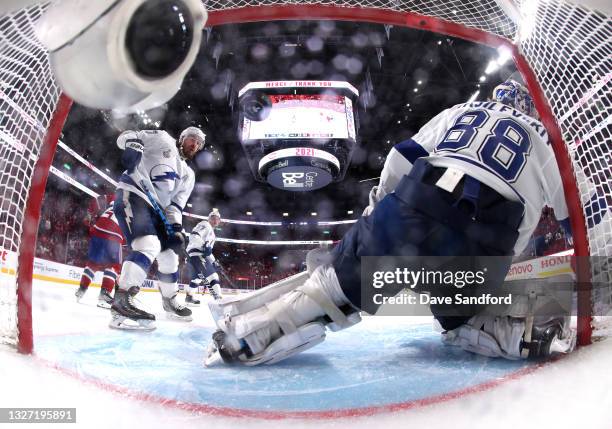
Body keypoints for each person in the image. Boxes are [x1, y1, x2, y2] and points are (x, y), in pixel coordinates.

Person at [205, 74, 576, 365]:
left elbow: (402, 156)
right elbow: (583, 212)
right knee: (464, 318)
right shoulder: (551, 142)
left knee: (333, 292)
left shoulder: (462, 110)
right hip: (486, 238)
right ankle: (519, 334)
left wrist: (379, 214)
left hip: (416, 206)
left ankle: (248, 334)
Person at [110, 126, 205, 330]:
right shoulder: (162, 138)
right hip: (133, 194)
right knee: (148, 244)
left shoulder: (188, 175)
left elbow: (174, 206)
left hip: (157, 211)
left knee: (170, 255)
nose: (194, 144)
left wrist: (177, 229)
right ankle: (121, 301)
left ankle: (169, 301)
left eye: (198, 143)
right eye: (192, 139)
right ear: (182, 138)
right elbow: (128, 135)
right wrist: (132, 145)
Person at [75, 196, 125, 308]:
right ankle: (104, 296)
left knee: (93, 263)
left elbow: (97, 199)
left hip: (97, 229)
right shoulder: (136, 207)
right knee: (114, 266)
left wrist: (89, 214)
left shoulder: (116, 198)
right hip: (113, 234)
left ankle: (81, 290)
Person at [184, 209, 223, 305]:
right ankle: (219, 301)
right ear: (209, 219)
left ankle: (189, 297)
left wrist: (214, 262)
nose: (215, 220)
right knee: (213, 276)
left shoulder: (213, 235)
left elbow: (208, 252)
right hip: (196, 255)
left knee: (197, 279)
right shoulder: (205, 224)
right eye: (213, 218)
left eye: (217, 219)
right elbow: (194, 236)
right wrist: (204, 246)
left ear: (219, 221)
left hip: (194, 256)